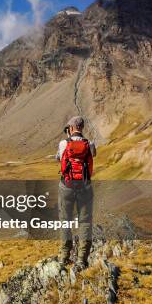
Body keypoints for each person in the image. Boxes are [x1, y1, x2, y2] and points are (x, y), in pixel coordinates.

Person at [56, 116, 96, 272]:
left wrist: (68, 140)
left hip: (66, 186)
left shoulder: (63, 143)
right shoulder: (89, 144)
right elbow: (94, 155)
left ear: (71, 129)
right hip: (85, 187)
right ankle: (81, 260)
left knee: (65, 220)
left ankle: (64, 257)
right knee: (85, 222)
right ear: (82, 127)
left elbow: (59, 158)